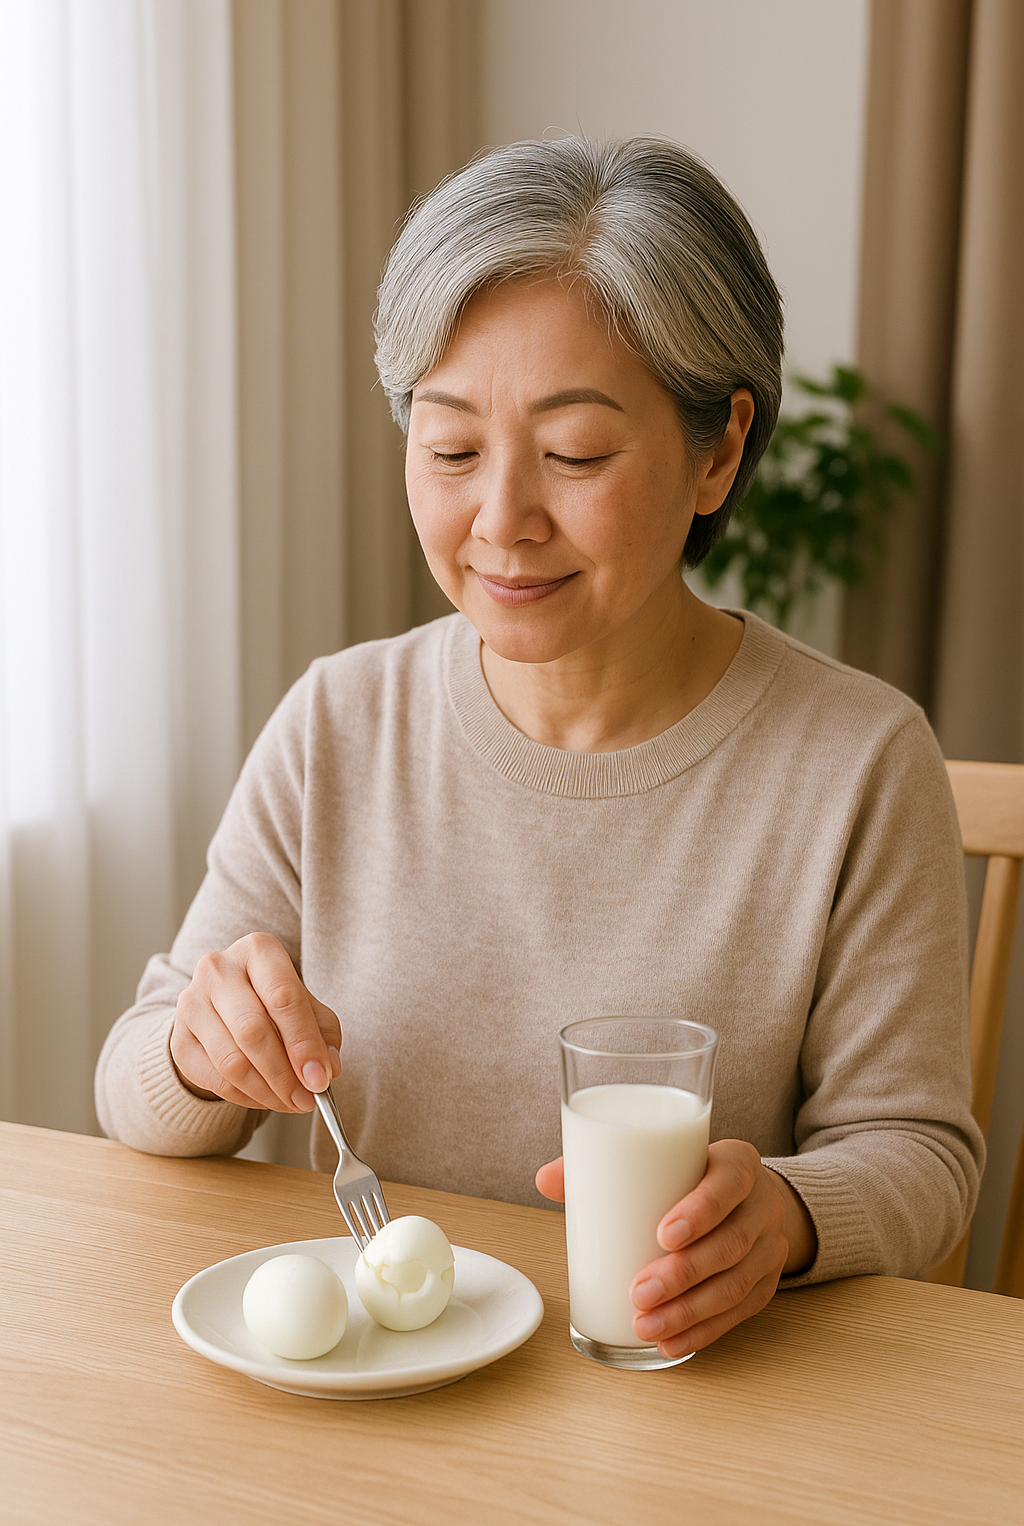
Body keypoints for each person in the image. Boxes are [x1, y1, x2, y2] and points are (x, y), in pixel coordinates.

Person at [96, 137, 983, 1361]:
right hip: (381, 1383)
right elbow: (135, 1072)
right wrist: (198, 1059)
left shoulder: (858, 760)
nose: (500, 521)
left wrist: (781, 1218)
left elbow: (918, 1154)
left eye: (572, 455)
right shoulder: (339, 721)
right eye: (451, 449)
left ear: (718, 451)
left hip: (674, 1399)